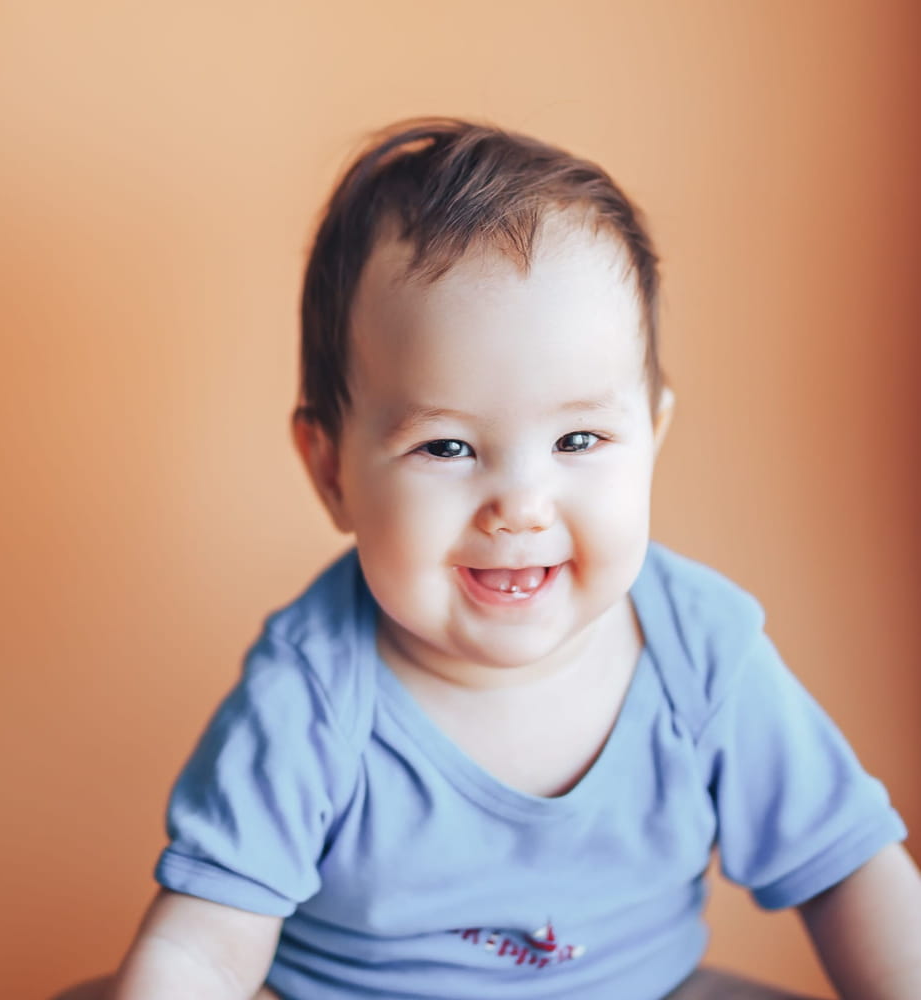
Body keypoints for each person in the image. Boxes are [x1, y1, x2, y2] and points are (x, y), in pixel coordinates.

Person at [56, 118, 921, 999]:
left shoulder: (701, 653)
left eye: (578, 439)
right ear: (332, 472)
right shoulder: (312, 693)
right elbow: (204, 950)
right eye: (447, 447)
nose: (521, 507)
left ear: (652, 438)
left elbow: (849, 868)